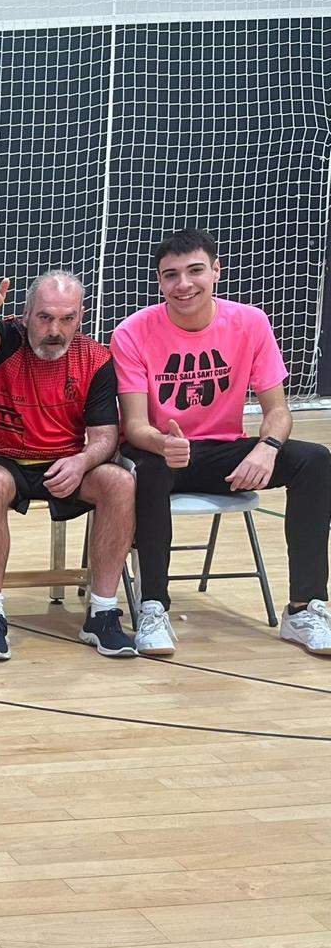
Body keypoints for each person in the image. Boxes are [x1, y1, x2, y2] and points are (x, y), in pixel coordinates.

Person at [112, 228, 331, 656]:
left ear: (216, 271)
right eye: (170, 275)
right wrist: (161, 443)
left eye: (195, 271)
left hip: (221, 450)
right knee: (151, 469)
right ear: (159, 282)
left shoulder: (250, 322)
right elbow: (135, 426)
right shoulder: (132, 332)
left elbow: (278, 410)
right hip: (161, 450)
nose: (183, 284)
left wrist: (266, 447)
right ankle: (153, 606)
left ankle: (305, 608)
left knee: (315, 459)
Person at [0, 271, 136, 661]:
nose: (54, 329)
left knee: (119, 482)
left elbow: (105, 437)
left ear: (81, 316)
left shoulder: (96, 359)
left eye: (66, 318)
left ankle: (103, 613)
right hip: (2, 456)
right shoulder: (6, 340)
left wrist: (83, 461)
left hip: (66, 462)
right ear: (24, 316)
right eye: (44, 317)